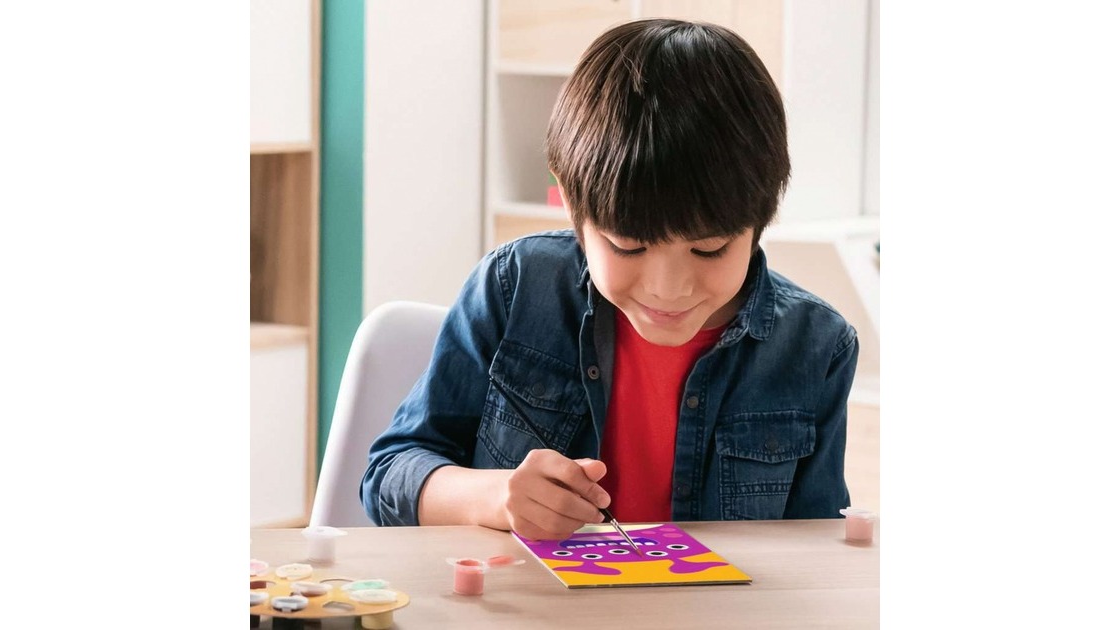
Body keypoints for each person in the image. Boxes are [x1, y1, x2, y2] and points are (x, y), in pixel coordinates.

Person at [363, 18, 858, 541]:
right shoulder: (515, 286)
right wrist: (496, 497)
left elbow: (815, 544)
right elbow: (389, 474)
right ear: (570, 204)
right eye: (628, 246)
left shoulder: (816, 345)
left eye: (709, 249)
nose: (668, 288)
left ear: (761, 218)